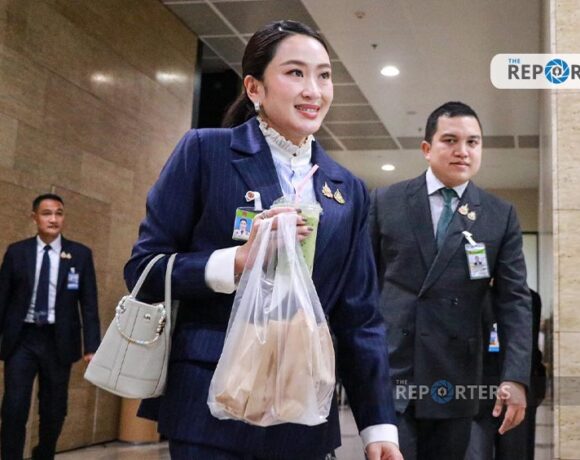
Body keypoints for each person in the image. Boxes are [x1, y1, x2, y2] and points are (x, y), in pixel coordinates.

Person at [124, 20, 402, 460]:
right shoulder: (205, 152)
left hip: (303, 409)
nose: (313, 90)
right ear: (254, 87)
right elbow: (144, 271)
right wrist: (236, 261)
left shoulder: (347, 189)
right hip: (211, 403)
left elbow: (359, 317)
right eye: (295, 73)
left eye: (324, 75)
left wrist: (378, 425)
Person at [369, 101, 532, 460]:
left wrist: (515, 376)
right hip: (393, 367)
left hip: (457, 375)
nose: (463, 151)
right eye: (450, 140)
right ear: (427, 149)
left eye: (473, 142)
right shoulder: (386, 202)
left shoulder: (499, 215)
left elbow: (514, 301)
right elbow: (363, 286)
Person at [0, 193, 101, 460]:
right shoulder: (17, 252)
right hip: (22, 340)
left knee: (54, 409)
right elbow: (2, 299)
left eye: (59, 213)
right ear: (34, 217)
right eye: (46, 214)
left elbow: (89, 304)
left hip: (59, 341)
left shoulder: (79, 255)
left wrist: (92, 346)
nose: (53, 219)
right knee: (14, 407)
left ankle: (43, 454)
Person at [465, 289, 546, 460]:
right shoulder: (471, 294)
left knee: (516, 452)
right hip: (477, 392)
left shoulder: (529, 299)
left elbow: (531, 349)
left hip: (517, 390)